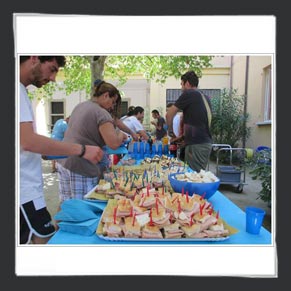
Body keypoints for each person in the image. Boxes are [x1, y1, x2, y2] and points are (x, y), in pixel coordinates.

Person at [19, 56, 104, 244]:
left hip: (28, 191)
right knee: (47, 241)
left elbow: (28, 145)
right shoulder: (16, 89)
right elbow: (27, 141)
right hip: (24, 194)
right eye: (52, 69)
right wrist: (82, 150)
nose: (53, 78)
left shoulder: (21, 91)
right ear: (34, 58)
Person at [57, 80, 128, 203]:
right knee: (82, 208)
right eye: (112, 102)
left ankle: (58, 222)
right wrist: (121, 135)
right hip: (81, 166)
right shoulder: (102, 113)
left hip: (64, 161)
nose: (112, 106)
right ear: (105, 95)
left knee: (65, 206)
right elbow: (113, 144)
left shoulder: (80, 105)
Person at [166, 70, 212, 172]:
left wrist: (171, 133)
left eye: (181, 84)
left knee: (193, 178)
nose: (181, 88)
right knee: (193, 176)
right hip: (202, 144)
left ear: (187, 83)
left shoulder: (189, 94)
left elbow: (169, 114)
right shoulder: (204, 97)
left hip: (197, 146)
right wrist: (183, 138)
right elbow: (198, 123)